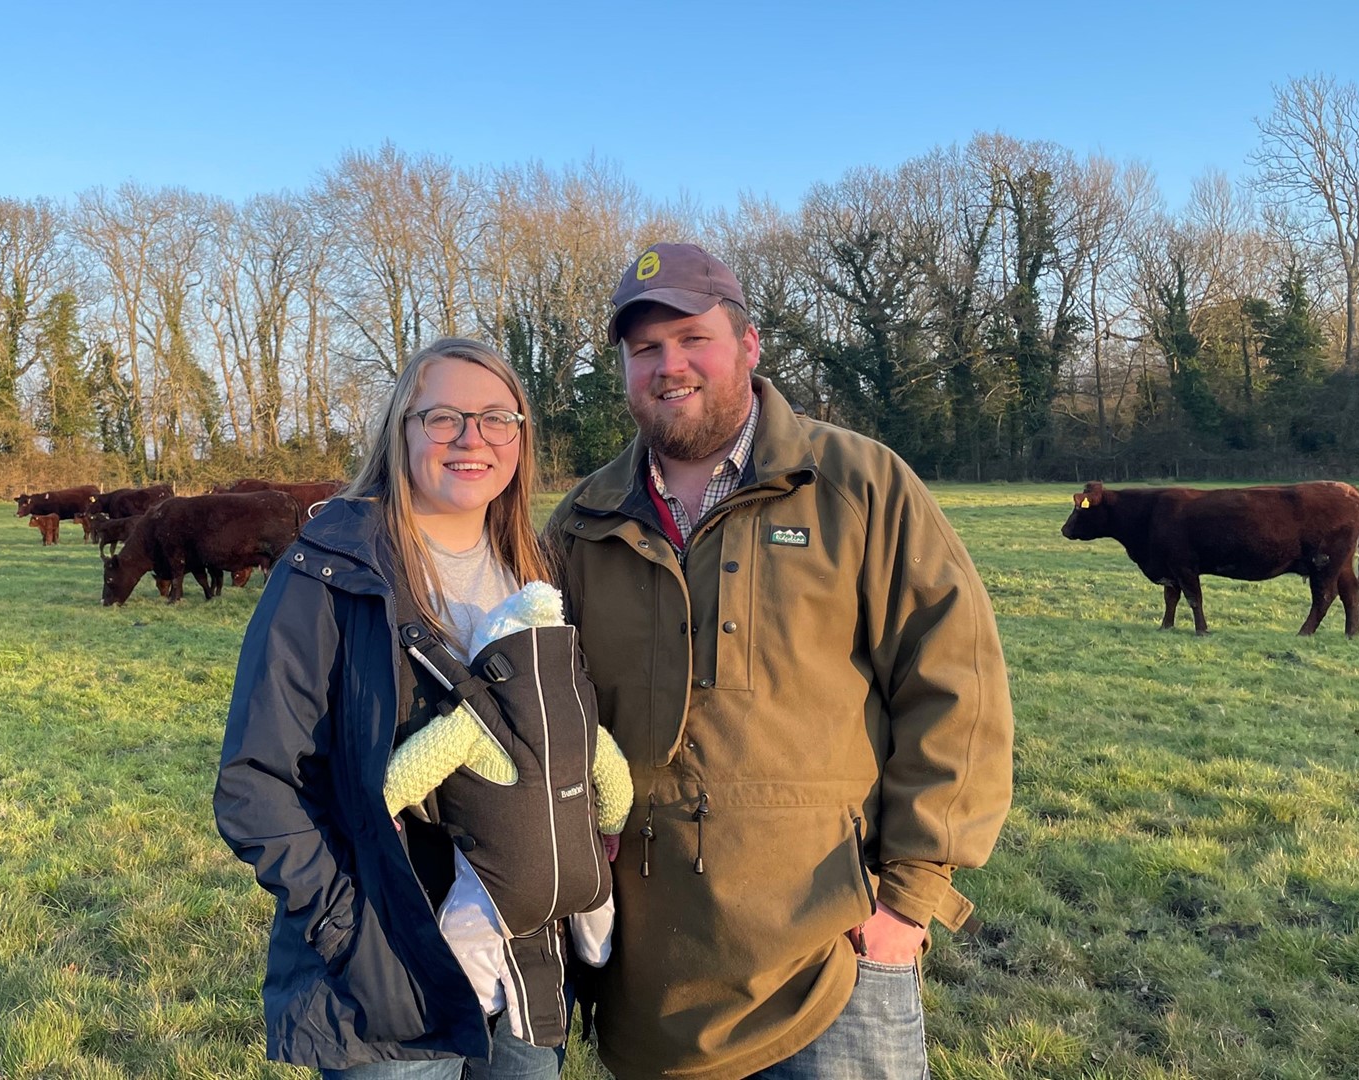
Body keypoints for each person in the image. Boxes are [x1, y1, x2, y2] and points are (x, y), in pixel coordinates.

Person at [546, 244, 1015, 1080]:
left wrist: (907, 903)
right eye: (644, 349)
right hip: (648, 984)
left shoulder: (858, 484)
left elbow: (956, 683)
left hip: (830, 966)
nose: (669, 365)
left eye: (693, 337)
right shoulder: (581, 522)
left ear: (750, 344)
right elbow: (536, 712)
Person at [217, 337, 621, 1078]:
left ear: (522, 438)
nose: (472, 440)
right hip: (390, 974)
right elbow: (255, 782)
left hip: (528, 961)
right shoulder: (330, 574)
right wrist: (352, 933)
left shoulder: (541, 572)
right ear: (400, 428)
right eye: (444, 418)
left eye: (497, 418)